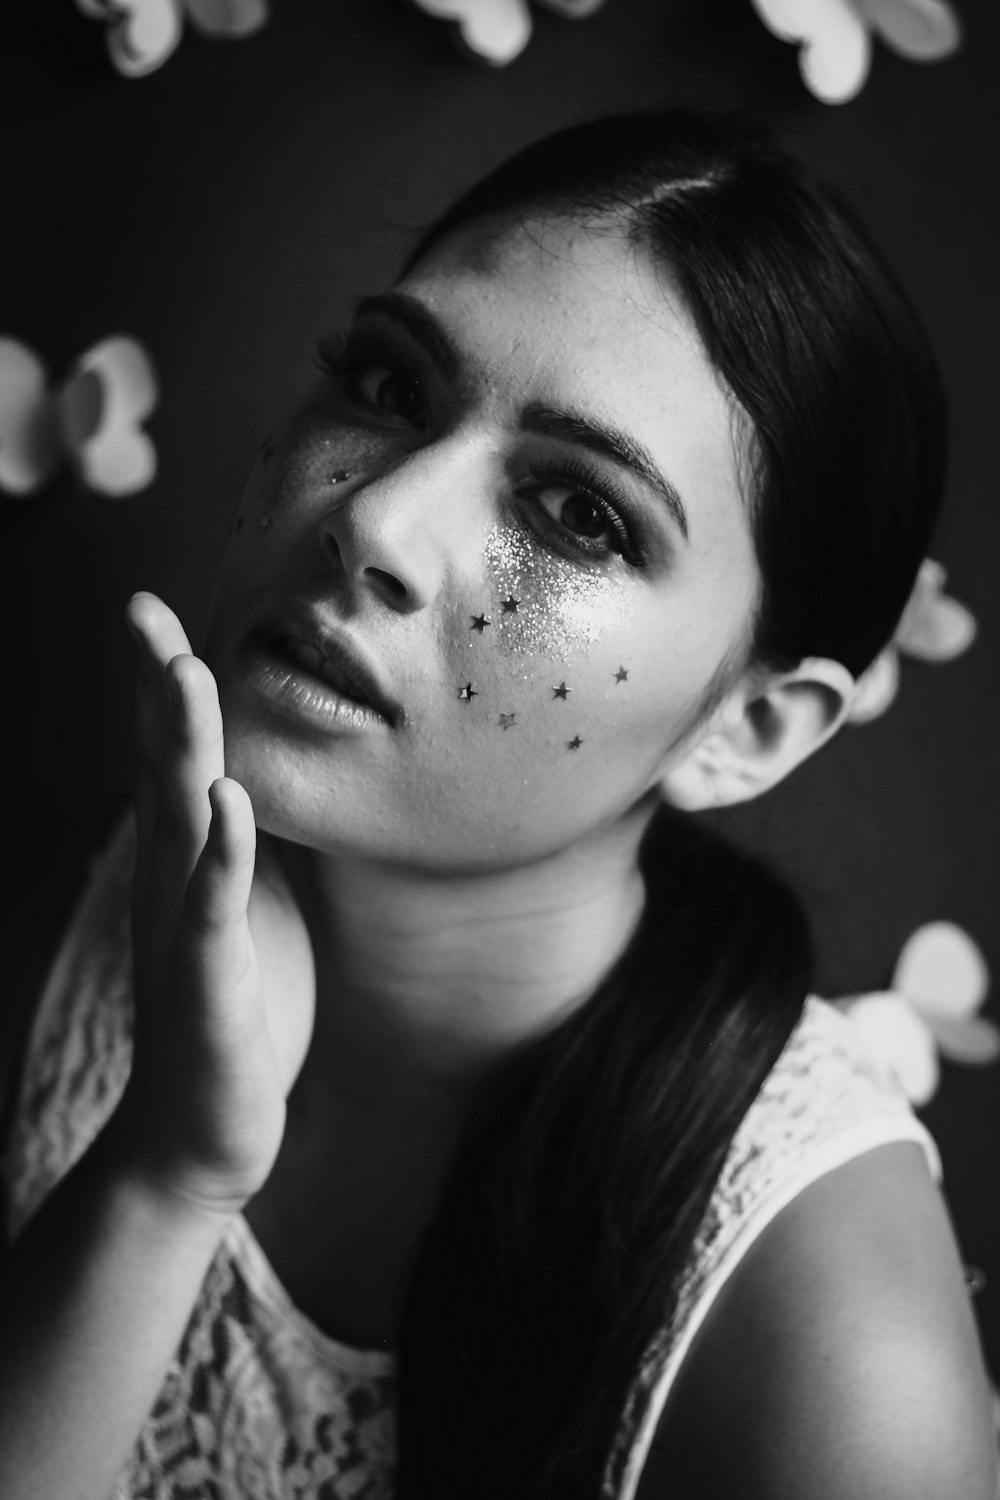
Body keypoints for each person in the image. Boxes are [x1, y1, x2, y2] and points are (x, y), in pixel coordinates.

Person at [0, 109, 996, 1500]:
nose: (379, 523)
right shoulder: (48, 914)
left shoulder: (838, 1358)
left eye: (581, 515)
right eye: (391, 388)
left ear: (747, 730)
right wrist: (164, 1175)